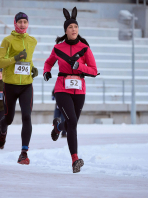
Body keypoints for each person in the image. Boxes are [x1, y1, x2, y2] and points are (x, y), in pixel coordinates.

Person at [43, 7, 98, 173]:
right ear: (65, 31)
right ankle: (75, 159)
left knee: (71, 123)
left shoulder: (85, 48)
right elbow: (48, 62)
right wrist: (46, 71)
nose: (73, 29)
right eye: (70, 27)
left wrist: (80, 66)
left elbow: (94, 70)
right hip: (62, 88)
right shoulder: (58, 48)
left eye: (75, 27)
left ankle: (58, 128)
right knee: (73, 122)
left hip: (79, 90)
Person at [0, 12, 38, 165]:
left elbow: (28, 60)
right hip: (10, 85)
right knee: (9, 118)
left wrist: (33, 68)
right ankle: (3, 130)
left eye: (25, 21)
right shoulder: (7, 40)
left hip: (26, 85)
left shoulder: (33, 41)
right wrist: (15, 58)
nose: (22, 24)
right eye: (19, 21)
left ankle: (24, 153)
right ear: (15, 23)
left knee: (27, 116)